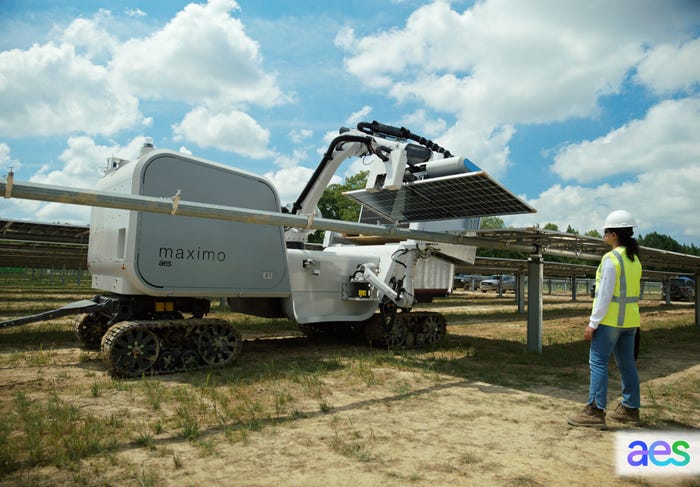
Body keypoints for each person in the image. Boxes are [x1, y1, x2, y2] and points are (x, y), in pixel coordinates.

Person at [568, 210, 642, 429]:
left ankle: (595, 410)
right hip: (630, 322)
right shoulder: (634, 259)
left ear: (613, 235)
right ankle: (630, 408)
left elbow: (604, 295)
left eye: (605, 231)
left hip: (610, 322)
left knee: (598, 363)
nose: (603, 234)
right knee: (627, 365)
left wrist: (593, 322)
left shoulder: (611, 258)